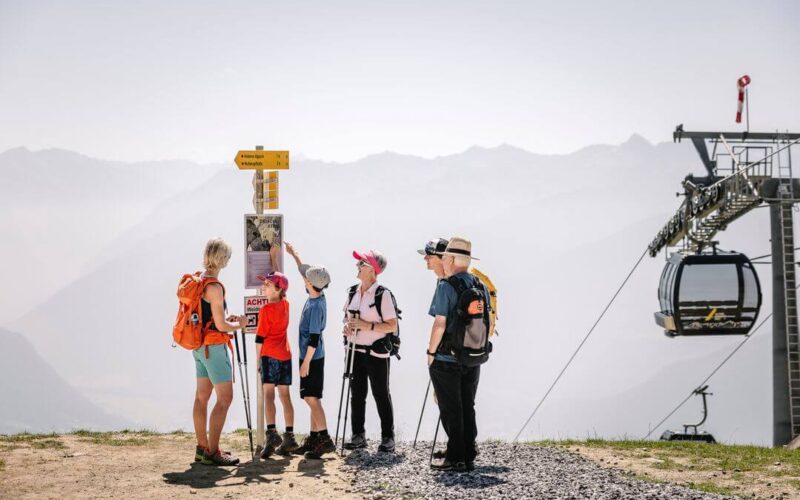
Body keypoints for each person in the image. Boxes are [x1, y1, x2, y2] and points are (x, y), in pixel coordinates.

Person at [426, 237, 487, 472]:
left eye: (445, 257)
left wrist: (431, 353)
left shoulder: (447, 286)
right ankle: (468, 452)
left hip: (447, 357)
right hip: (473, 356)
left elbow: (439, 324)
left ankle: (455, 457)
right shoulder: (479, 284)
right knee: (467, 404)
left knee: (451, 407)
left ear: (450, 259)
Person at [193, 237, 247, 466]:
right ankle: (213, 452)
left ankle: (201, 447)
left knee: (202, 397)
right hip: (214, 347)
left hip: (198, 346)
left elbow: (209, 316)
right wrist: (239, 325)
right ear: (222, 258)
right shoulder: (214, 287)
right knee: (225, 398)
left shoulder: (199, 280)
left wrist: (226, 319)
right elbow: (222, 326)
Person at [342, 250, 399, 452]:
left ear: (373, 270)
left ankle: (388, 437)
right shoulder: (352, 292)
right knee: (357, 394)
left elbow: (392, 325)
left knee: (381, 393)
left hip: (376, 353)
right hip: (354, 350)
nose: (358, 266)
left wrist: (366, 326)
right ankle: (358, 436)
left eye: (362, 263)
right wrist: (347, 326)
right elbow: (346, 318)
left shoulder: (382, 294)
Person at [284, 241, 336, 459]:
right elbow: (303, 270)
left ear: (311, 284)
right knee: (312, 396)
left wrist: (305, 362)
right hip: (313, 356)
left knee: (311, 398)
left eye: (306, 279)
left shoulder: (315, 307)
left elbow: (314, 339)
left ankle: (324, 439)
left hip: (311, 357)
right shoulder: (317, 295)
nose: (303, 279)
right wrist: (293, 253)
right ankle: (314, 437)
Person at [254, 271, 299, 458]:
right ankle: (289, 435)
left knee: (268, 395)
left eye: (268, 284)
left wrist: (258, 360)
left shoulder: (265, 310)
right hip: (285, 355)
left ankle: (272, 433)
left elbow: (259, 339)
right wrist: (274, 259)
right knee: (285, 396)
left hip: (269, 354)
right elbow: (281, 281)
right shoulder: (286, 305)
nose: (264, 286)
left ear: (278, 289)